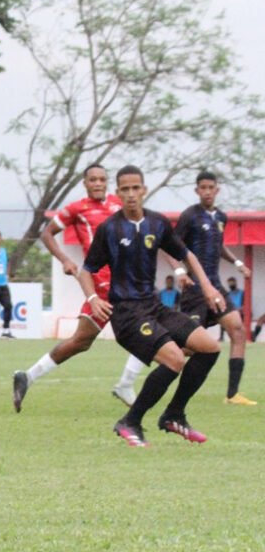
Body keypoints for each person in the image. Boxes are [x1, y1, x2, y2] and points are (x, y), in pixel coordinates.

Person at [80, 165, 224, 447]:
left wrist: (207, 287)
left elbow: (186, 254)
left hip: (154, 307)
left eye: (136, 188)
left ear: (144, 190)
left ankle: (174, 414)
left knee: (209, 347)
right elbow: (87, 270)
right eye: (125, 189)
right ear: (118, 193)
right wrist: (93, 298)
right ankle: (130, 420)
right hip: (126, 314)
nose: (131, 194)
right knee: (174, 359)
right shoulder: (110, 228)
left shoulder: (157, 223)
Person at [12, 164, 147, 412]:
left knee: (81, 341)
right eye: (92, 179)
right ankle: (126, 385)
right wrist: (65, 260)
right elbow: (47, 233)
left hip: (125, 283)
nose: (97, 183)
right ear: (85, 184)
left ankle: (27, 376)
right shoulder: (77, 209)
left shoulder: (120, 204)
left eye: (102, 179)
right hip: (102, 287)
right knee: (149, 333)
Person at [160, 172, 255, 405]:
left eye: (211, 187)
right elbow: (170, 246)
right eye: (203, 187)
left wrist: (238, 263)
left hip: (216, 286)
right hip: (194, 289)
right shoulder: (189, 216)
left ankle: (232, 395)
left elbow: (219, 245)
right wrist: (180, 271)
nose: (207, 191)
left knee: (238, 330)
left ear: (217, 190)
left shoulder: (221, 217)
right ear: (197, 191)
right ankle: (146, 376)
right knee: (189, 348)